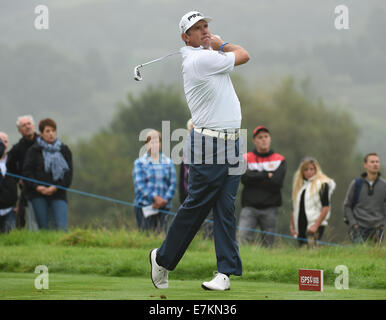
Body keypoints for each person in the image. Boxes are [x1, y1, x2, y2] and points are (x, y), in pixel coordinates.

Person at [149, 11, 250, 291]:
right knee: (197, 206)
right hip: (209, 145)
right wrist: (220, 43)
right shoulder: (201, 59)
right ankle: (162, 258)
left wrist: (214, 45)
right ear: (186, 37)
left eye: (206, 26)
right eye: (197, 29)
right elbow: (244, 55)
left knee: (226, 208)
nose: (205, 31)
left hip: (232, 142)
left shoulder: (205, 56)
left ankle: (224, 273)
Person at [238, 126, 286, 247]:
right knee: (242, 241)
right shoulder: (246, 158)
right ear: (254, 140)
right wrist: (266, 174)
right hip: (249, 207)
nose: (263, 139)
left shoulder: (279, 159)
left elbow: (277, 182)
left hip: (270, 208)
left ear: (270, 139)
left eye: (266, 136)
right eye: (260, 137)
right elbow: (244, 179)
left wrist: (255, 176)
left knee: (269, 245)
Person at [23, 118, 73, 231]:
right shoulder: (33, 151)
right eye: (47, 131)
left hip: (58, 194)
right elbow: (27, 173)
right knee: (44, 228)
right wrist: (38, 187)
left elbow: (68, 175)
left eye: (53, 130)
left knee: (61, 227)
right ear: (41, 133)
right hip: (38, 194)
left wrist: (55, 187)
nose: (51, 134)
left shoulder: (64, 150)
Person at [133, 129, 177, 233]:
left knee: (161, 238)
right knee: (145, 237)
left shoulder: (168, 162)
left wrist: (164, 200)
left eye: (157, 142)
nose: (154, 145)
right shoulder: (139, 163)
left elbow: (173, 184)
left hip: (164, 207)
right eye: (151, 142)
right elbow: (140, 185)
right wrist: (155, 198)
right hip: (144, 206)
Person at [290, 157, 336, 247]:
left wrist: (316, 225)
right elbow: (294, 208)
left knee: (312, 248)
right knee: (302, 249)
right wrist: (292, 226)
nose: (309, 172)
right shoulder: (300, 187)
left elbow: (326, 207)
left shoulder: (322, 184)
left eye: (312, 169)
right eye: (306, 169)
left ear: (316, 170)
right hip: (300, 225)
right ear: (302, 171)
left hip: (314, 225)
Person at [343, 153, 386, 244]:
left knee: (375, 256)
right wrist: (353, 223)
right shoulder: (356, 184)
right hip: (358, 227)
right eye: (372, 162)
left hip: (378, 228)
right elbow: (347, 205)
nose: (375, 164)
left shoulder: (384, 185)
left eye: (377, 162)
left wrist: (383, 224)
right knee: (358, 255)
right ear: (365, 165)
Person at [7, 115, 39, 229]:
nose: (27, 127)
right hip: (27, 187)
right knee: (22, 216)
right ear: (19, 130)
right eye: (23, 125)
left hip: (45, 184)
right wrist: (18, 178)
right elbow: (9, 165)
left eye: (29, 124)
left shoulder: (43, 142)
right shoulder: (17, 148)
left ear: (34, 126)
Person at [0, 132, 17, 233]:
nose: (3, 144)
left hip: (9, 209)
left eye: (5, 141)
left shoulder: (13, 160)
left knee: (10, 239)